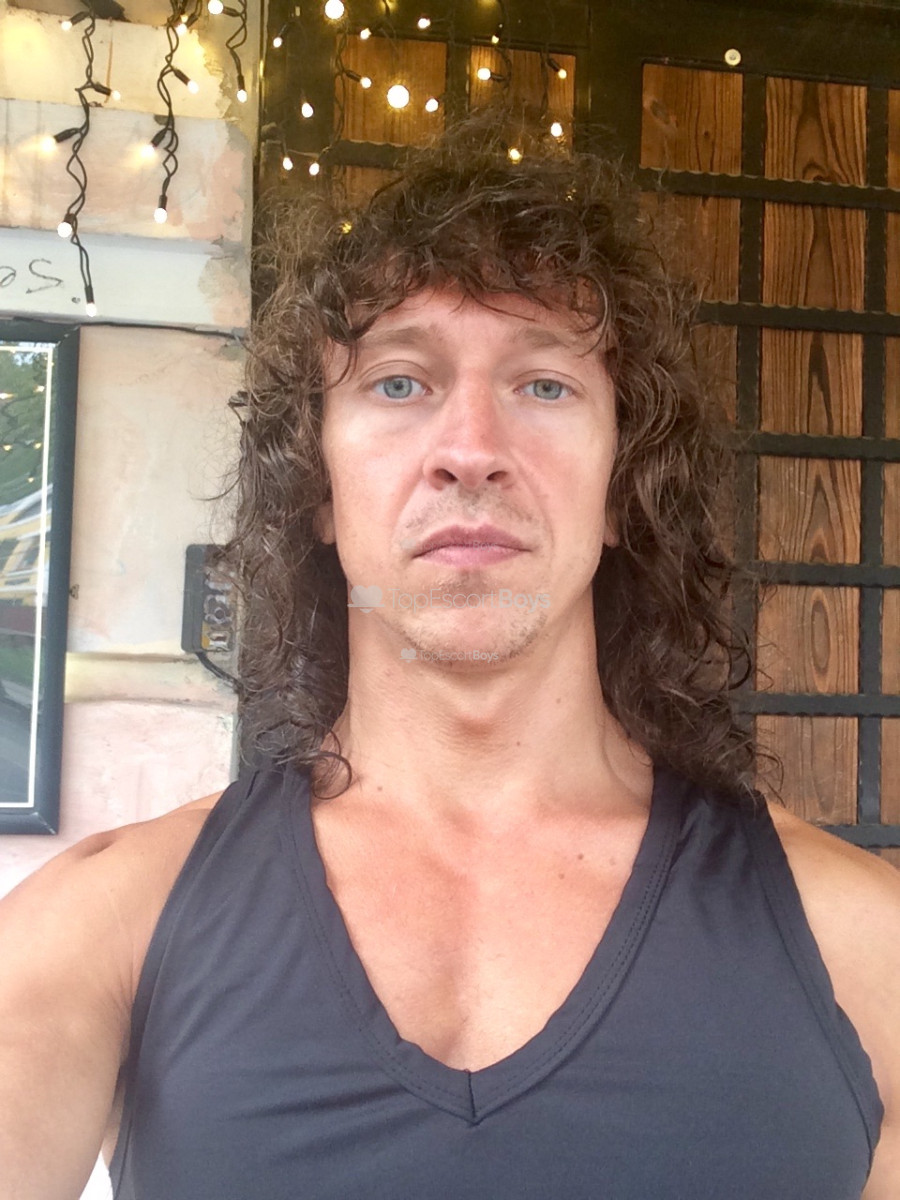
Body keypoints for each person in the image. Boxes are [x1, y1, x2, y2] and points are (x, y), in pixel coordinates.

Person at [1, 129, 898, 1200]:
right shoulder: (99, 931)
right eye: (398, 383)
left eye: (545, 385)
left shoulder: (867, 949)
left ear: (622, 486)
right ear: (319, 486)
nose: (470, 449)